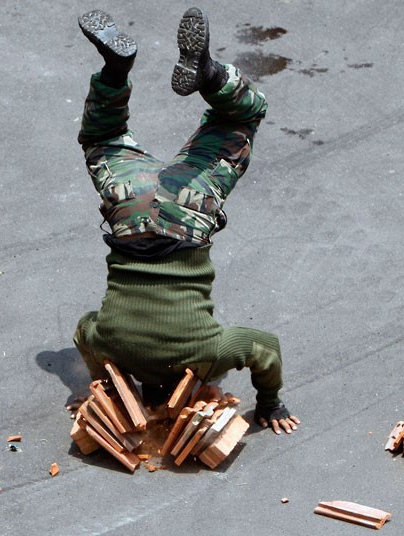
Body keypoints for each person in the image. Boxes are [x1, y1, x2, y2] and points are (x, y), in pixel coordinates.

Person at [72, 8, 300, 435]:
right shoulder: (107, 345)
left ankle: (210, 74)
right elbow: (83, 329)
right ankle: (114, 70)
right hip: (130, 208)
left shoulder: (209, 352)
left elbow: (265, 349)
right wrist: (104, 380)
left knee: (242, 117)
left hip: (188, 211)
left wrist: (270, 402)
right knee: (102, 140)